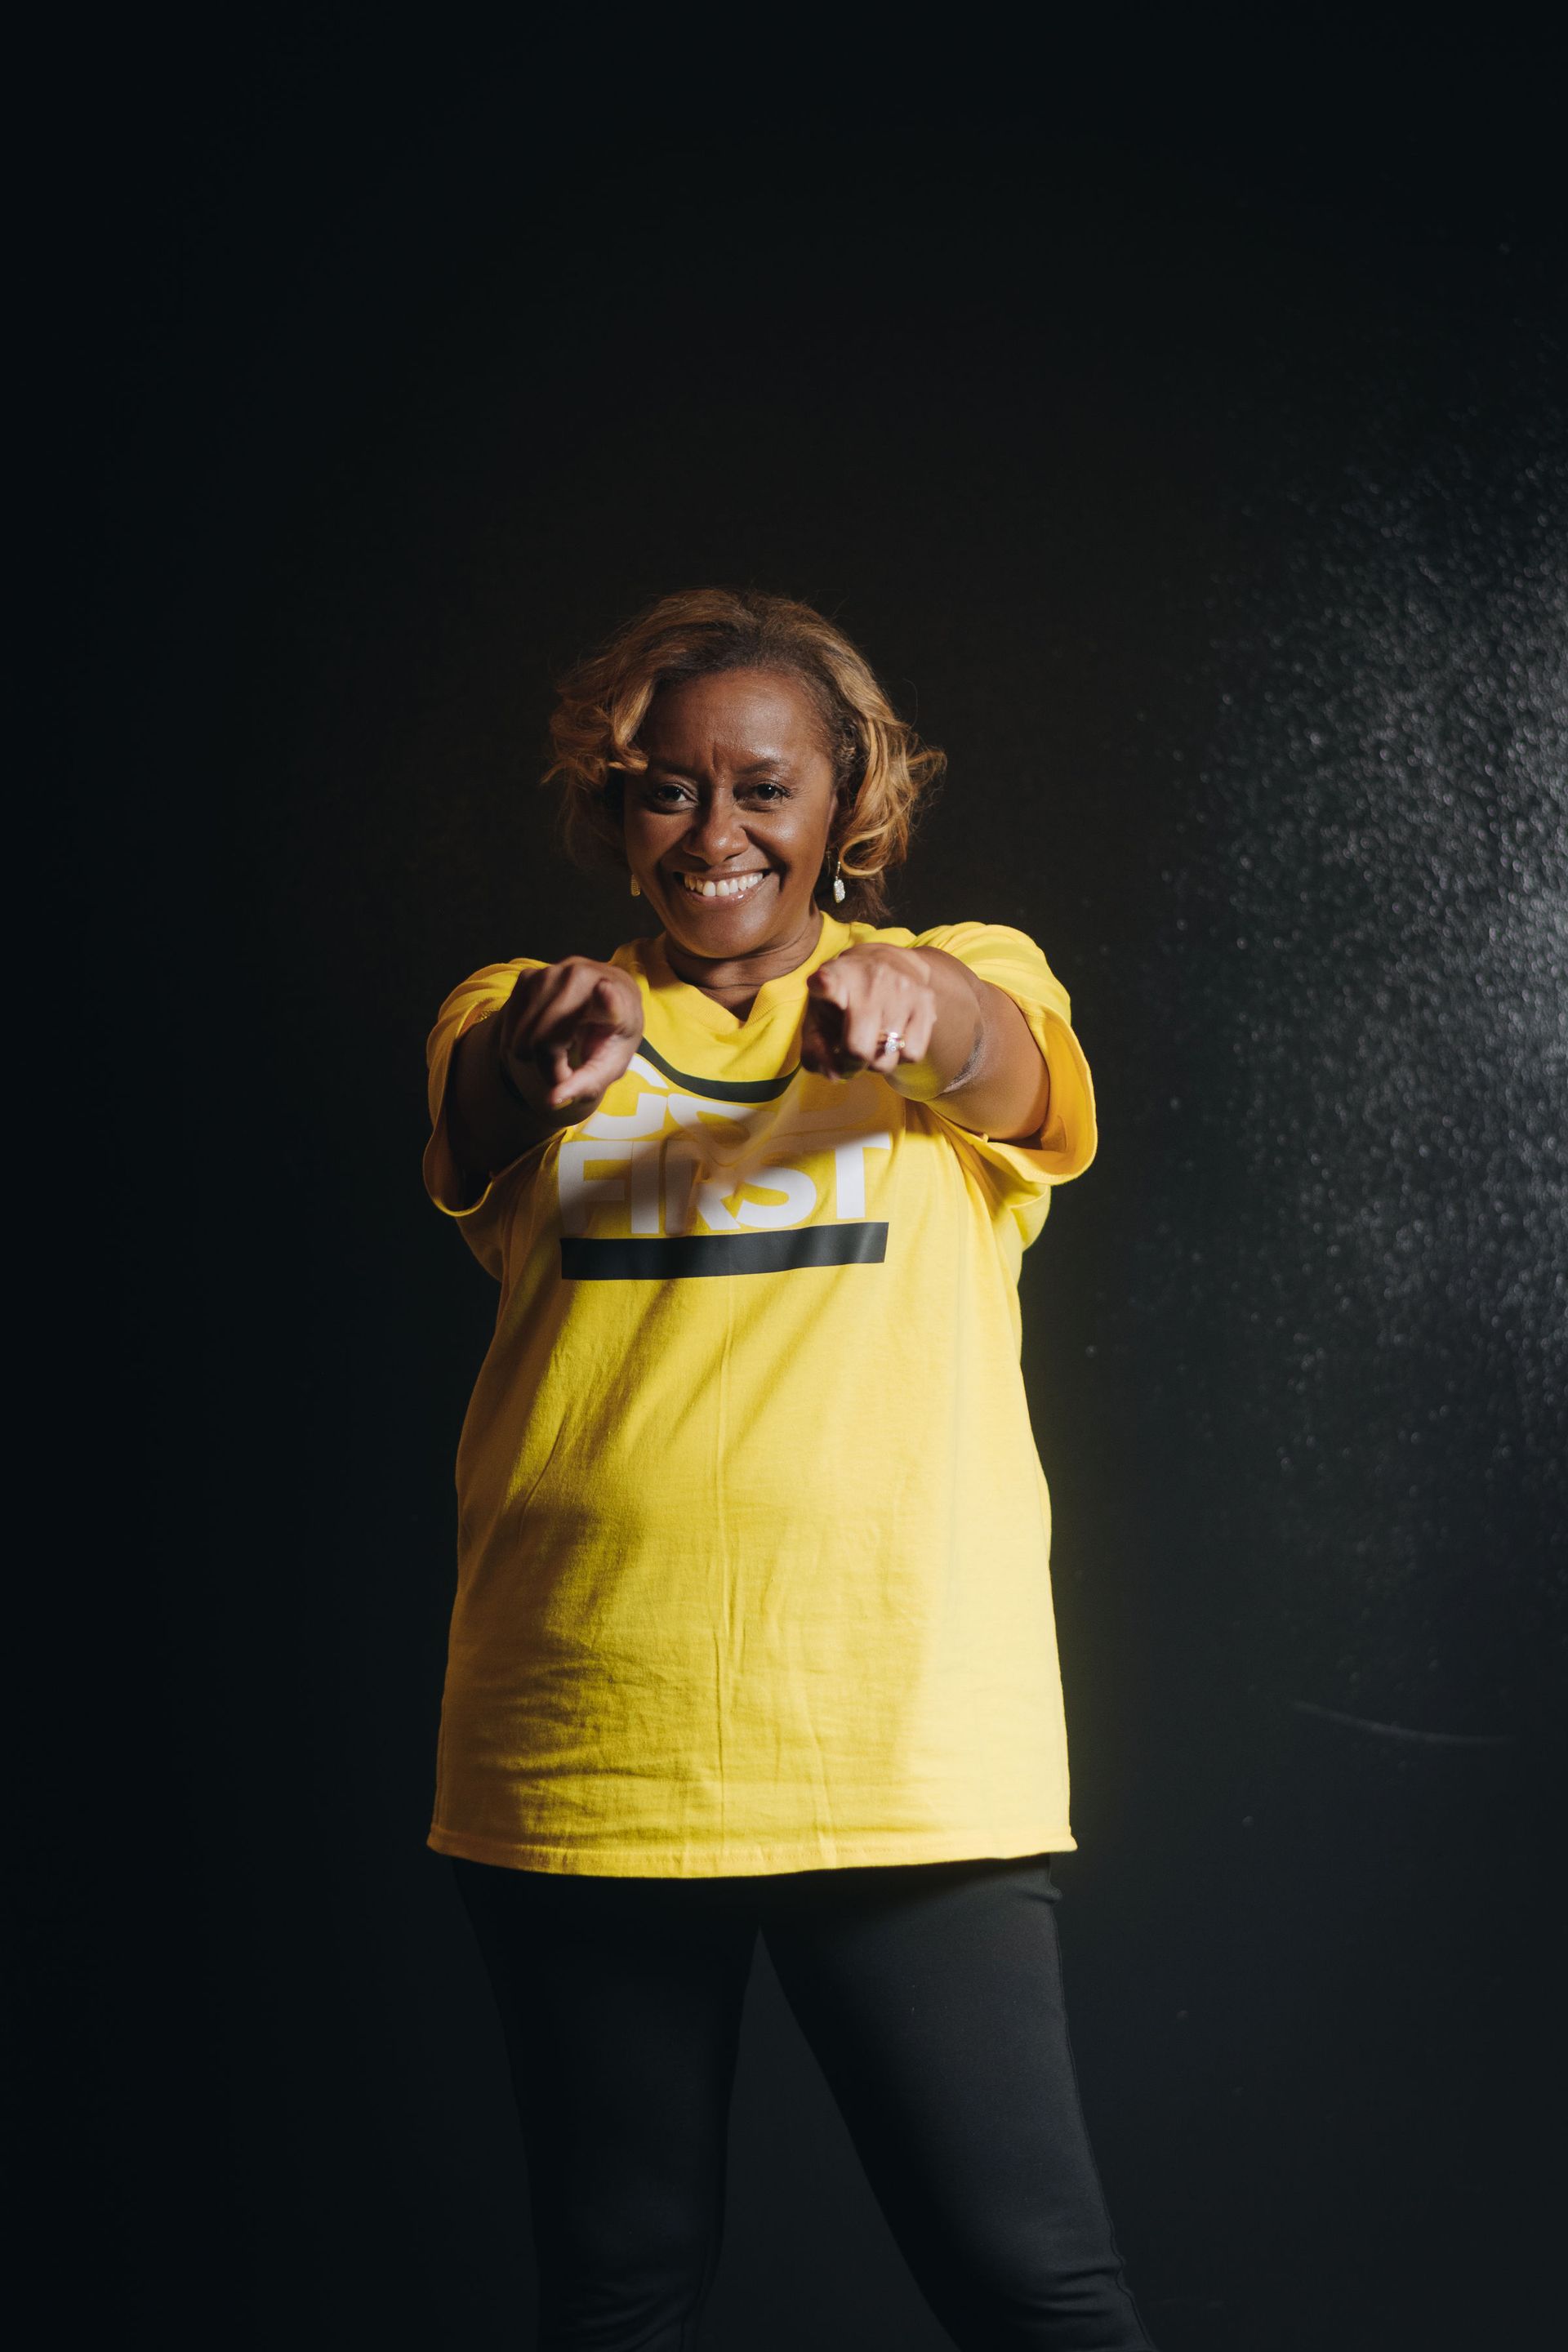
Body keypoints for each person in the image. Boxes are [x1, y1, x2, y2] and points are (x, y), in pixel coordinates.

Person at [422, 587, 1159, 2350]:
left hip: (893, 1749)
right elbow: (476, 1110)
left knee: (1035, 2288)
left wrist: (927, 1010)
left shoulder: (972, 976)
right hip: (586, 1742)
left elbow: (1020, 1071)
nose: (717, 829)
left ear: (849, 813)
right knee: (620, 2291)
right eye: (667, 790)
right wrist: (544, 1056)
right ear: (617, 813)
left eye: (765, 787)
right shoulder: (522, 1006)